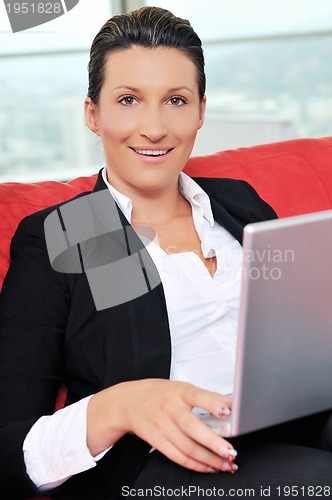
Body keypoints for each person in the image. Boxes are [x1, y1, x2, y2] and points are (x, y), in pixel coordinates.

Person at [0, 6, 331, 499]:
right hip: (162, 465)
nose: (153, 127)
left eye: (176, 100)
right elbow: (10, 446)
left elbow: (300, 328)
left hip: (298, 416)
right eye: (129, 99)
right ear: (93, 114)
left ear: (200, 110)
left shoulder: (238, 202)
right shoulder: (72, 232)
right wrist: (119, 405)